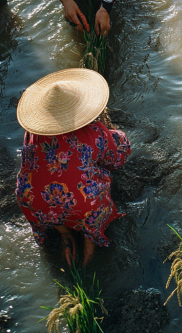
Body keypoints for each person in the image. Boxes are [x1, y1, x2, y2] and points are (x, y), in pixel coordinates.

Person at [16, 68, 131, 266]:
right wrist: (116, 136)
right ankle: (89, 239)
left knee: (49, 188)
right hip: (81, 204)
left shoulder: (32, 133)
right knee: (96, 177)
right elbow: (115, 161)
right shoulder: (94, 133)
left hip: (32, 199)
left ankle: (64, 234)